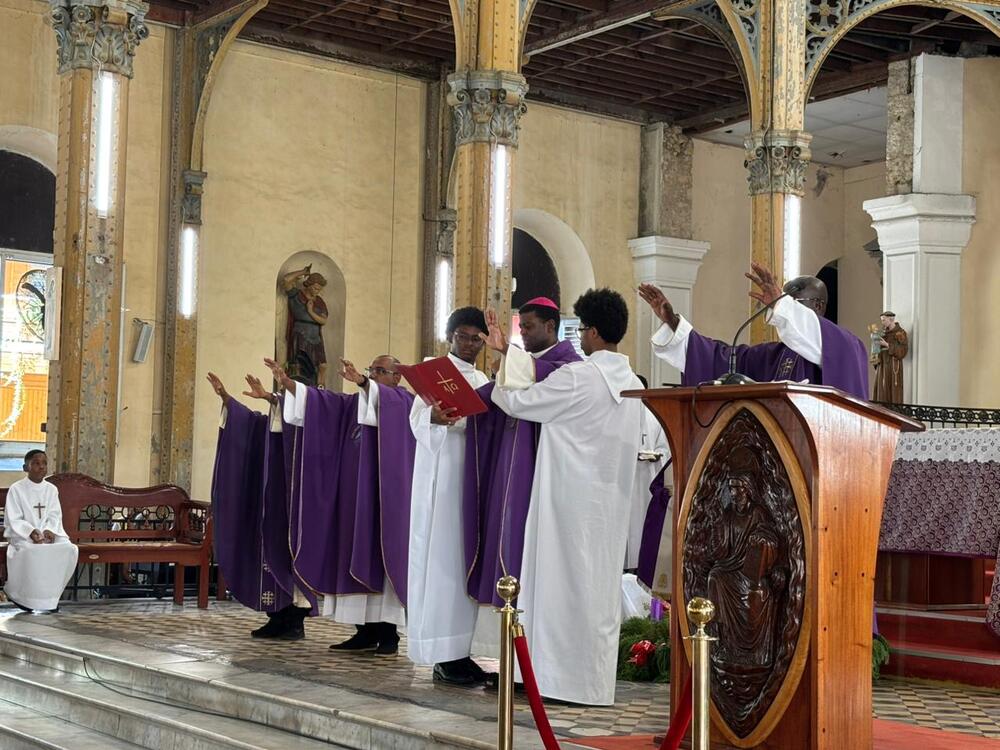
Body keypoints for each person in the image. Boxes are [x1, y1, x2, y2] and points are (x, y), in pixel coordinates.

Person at [484, 288, 643, 706]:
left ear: (592, 332)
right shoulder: (633, 386)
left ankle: (553, 681)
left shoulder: (579, 377)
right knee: (597, 591)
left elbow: (518, 402)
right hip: (608, 507)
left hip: (566, 500)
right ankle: (591, 684)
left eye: (581, 329)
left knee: (555, 586)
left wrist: (502, 362)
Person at [267, 354, 414, 656]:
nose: (373, 375)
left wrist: (363, 382)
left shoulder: (405, 403)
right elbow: (322, 404)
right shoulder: (351, 404)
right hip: (352, 498)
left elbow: (394, 420)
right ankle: (363, 631)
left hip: (384, 502)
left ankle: (388, 635)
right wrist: (290, 385)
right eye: (371, 370)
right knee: (350, 557)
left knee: (381, 561)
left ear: (397, 377)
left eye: (380, 371)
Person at [463, 297, 581, 610]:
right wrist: (456, 404)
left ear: (550, 326)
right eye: (521, 327)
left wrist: (506, 352)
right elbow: (490, 395)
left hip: (543, 466)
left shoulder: (570, 364)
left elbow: (544, 375)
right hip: (510, 463)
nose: (523, 333)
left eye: (528, 327)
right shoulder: (521, 361)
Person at [637, 262, 869, 400]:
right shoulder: (774, 355)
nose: (782, 308)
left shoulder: (845, 346)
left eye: (792, 302)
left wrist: (781, 303)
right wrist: (674, 323)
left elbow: (811, 333)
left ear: (818, 305)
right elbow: (722, 359)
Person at [208, 372, 316, 640]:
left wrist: (271, 398)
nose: (281, 398)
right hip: (272, 504)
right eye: (282, 392)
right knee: (267, 555)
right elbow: (251, 425)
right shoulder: (272, 422)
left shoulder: (314, 427)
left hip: (298, 508)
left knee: (290, 560)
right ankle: (276, 618)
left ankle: (295, 622)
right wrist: (228, 400)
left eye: (289, 393)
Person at [3, 450, 79, 612]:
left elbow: (54, 514)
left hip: (47, 534)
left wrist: (50, 530)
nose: (41, 467)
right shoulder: (17, 489)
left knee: (68, 548)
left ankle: (49, 599)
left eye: (44, 463)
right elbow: (14, 518)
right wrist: (31, 532)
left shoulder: (51, 489)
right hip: (23, 535)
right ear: (26, 467)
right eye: (36, 463)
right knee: (31, 551)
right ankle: (25, 598)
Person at [282, 265, 329, 387]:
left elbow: (323, 321)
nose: (317, 291)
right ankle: (297, 388)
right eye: (315, 288)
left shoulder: (319, 301)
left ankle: (320, 390)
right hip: (301, 333)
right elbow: (286, 279)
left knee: (322, 365)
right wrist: (303, 272)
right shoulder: (296, 295)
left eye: (319, 289)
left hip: (316, 336)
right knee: (300, 365)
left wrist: (311, 311)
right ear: (308, 285)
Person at [871, 311, 907, 404]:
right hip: (882, 366)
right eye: (881, 320)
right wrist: (875, 343)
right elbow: (875, 352)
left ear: (891, 319)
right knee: (881, 391)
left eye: (884, 320)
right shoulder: (882, 333)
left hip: (893, 366)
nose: (882, 322)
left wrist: (887, 345)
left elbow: (903, 351)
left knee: (893, 392)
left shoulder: (900, 333)